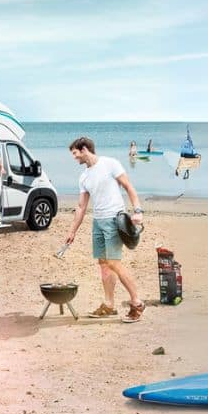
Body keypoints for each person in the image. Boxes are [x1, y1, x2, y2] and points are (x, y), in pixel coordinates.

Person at [63, 136, 147, 323]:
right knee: (103, 263)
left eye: (75, 153)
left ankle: (137, 303)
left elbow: (128, 187)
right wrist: (72, 231)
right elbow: (81, 206)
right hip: (98, 222)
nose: (74, 158)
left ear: (84, 149)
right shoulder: (84, 177)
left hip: (114, 220)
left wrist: (138, 211)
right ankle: (109, 305)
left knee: (114, 263)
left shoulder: (110, 164)